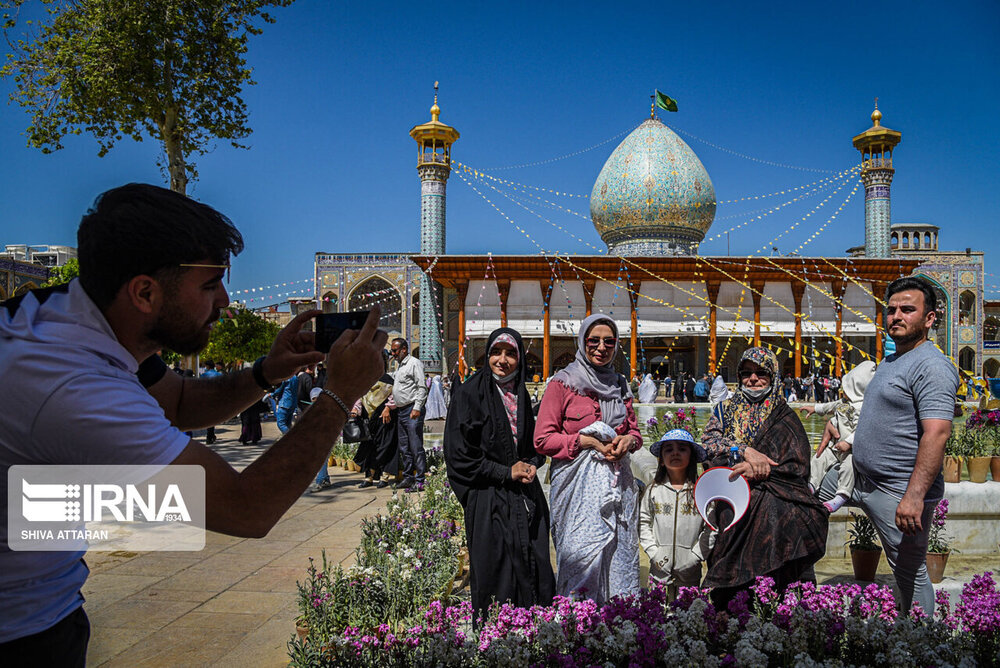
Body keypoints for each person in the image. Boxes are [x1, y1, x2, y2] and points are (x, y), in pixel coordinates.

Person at [0, 183, 388, 665]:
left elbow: (180, 401)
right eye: (209, 285)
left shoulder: (75, 318)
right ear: (144, 291)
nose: (225, 301)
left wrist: (267, 372)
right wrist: (339, 394)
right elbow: (247, 509)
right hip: (21, 634)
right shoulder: (73, 385)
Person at [852, 277, 958, 614]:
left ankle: (923, 646)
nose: (896, 315)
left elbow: (937, 433)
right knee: (800, 502)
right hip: (859, 479)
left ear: (929, 318)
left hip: (897, 490)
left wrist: (913, 497)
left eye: (907, 309)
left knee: (910, 572)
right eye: (892, 309)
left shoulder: (932, 366)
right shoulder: (893, 360)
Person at [700, 347, 828, 608]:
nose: (753, 379)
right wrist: (743, 452)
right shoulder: (725, 411)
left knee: (792, 522)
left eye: (761, 374)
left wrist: (765, 470)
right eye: (746, 374)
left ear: (773, 376)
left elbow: (798, 463)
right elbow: (708, 444)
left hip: (777, 499)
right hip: (735, 495)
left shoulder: (784, 416)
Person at [445, 328, 555, 618]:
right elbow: (459, 456)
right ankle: (497, 642)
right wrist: (505, 472)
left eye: (510, 353)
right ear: (487, 355)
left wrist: (532, 462)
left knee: (536, 563)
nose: (502, 360)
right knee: (497, 572)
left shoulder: (520, 393)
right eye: (496, 352)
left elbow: (532, 443)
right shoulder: (469, 394)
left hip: (525, 497)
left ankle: (535, 638)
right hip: (488, 498)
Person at [534, 314, 643, 606]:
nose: (601, 347)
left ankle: (618, 624)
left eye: (609, 341)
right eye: (593, 340)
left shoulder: (620, 385)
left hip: (617, 487)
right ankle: (576, 625)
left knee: (618, 557)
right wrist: (585, 441)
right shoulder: (563, 383)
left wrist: (628, 441)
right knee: (580, 556)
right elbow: (542, 439)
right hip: (575, 490)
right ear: (582, 342)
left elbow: (634, 431)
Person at [639, 429, 713, 600]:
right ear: (661, 460)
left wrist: (696, 556)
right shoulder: (653, 490)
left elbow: (711, 528)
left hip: (690, 570)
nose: (675, 453)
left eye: (682, 448)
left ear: (692, 457)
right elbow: (643, 523)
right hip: (658, 568)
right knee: (656, 615)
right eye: (669, 449)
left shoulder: (701, 492)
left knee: (688, 617)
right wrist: (653, 552)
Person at [800, 360, 876, 513]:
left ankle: (841, 495)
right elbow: (829, 406)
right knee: (818, 458)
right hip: (834, 447)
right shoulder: (843, 402)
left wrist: (848, 443)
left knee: (848, 467)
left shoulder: (864, 409)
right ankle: (812, 485)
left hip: (850, 450)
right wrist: (814, 408)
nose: (843, 390)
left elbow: (862, 430)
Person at [382, 338, 427, 491]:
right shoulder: (401, 366)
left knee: (415, 446)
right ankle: (408, 477)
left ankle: (420, 479)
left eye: (394, 351)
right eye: (391, 351)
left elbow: (422, 387)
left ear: (404, 349)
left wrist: (417, 407)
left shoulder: (414, 363)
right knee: (404, 447)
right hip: (401, 411)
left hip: (412, 410)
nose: (392, 354)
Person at [353, 353, 396, 489]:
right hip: (367, 418)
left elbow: (394, 396)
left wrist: (388, 408)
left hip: (384, 417)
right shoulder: (364, 380)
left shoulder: (388, 380)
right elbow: (359, 398)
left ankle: (384, 476)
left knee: (385, 446)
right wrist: (356, 410)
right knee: (369, 446)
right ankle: (369, 477)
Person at [201, 360, 222, 443]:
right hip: (216, 399)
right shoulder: (219, 375)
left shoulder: (204, 375)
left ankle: (210, 436)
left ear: (208, 366)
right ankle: (211, 435)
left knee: (209, 417)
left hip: (207, 398)